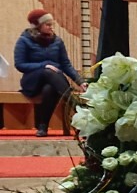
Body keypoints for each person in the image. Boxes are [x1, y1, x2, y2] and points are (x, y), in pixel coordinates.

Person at [13, 9, 85, 137]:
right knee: (48, 72)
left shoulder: (57, 41)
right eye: (48, 24)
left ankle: (43, 127)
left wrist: (80, 82)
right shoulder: (24, 40)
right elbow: (20, 65)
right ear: (38, 26)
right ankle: (77, 107)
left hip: (55, 82)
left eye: (52, 24)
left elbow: (66, 65)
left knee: (49, 89)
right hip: (33, 82)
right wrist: (44, 65)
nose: (51, 27)